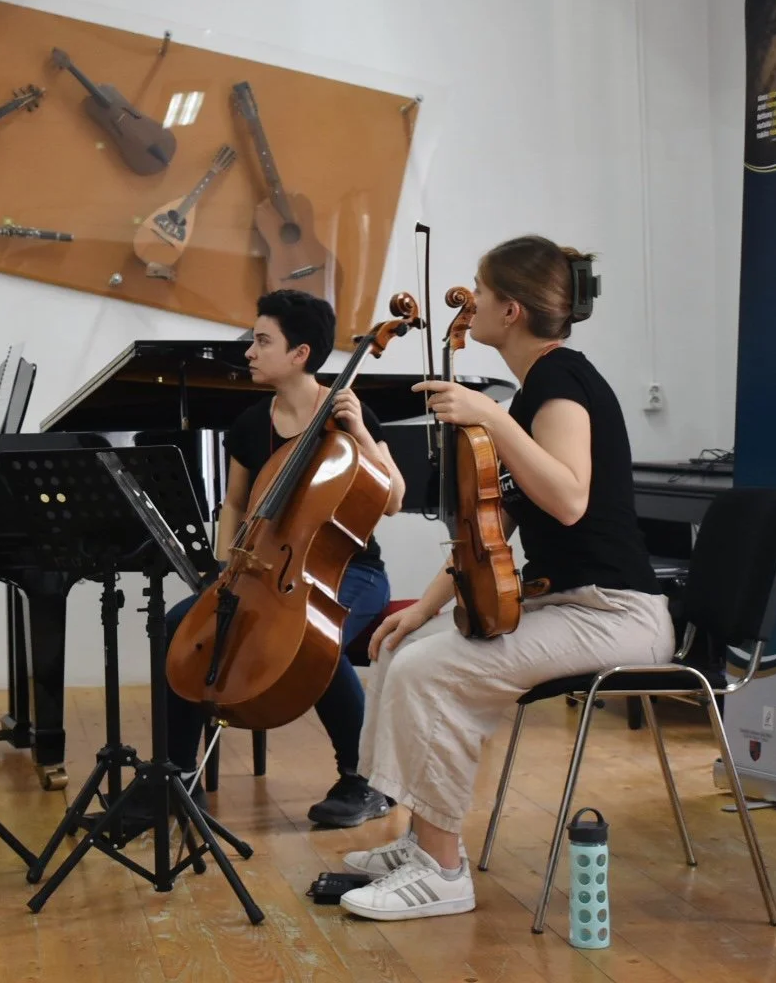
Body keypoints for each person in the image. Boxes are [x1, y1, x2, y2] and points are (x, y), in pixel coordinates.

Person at [339, 236, 673, 922]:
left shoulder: (560, 381)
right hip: (574, 608)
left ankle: (442, 872)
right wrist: (422, 608)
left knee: (434, 671)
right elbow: (491, 527)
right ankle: (420, 841)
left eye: (481, 293)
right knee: (407, 647)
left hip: (617, 616)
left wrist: (487, 413)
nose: (474, 303)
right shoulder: (531, 396)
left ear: (511, 310)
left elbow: (569, 497)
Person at [161, 289, 407, 828]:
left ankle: (363, 780)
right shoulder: (252, 423)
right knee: (178, 625)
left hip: (352, 571)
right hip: (263, 570)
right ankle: (178, 777)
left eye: (262, 340)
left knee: (313, 637)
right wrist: (227, 567)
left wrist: (361, 432)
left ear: (300, 354)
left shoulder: (350, 412)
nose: (249, 351)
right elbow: (233, 503)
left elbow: (393, 498)